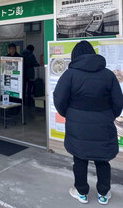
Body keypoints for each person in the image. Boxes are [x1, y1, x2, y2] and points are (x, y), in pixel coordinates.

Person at [53, 41, 123, 205]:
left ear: (75, 56)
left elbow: (59, 99)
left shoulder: (70, 74)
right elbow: (118, 102)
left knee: (80, 158)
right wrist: (108, 115)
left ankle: (81, 192)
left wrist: (68, 114)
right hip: (103, 124)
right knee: (102, 160)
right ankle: (103, 194)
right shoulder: (108, 75)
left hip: (78, 125)